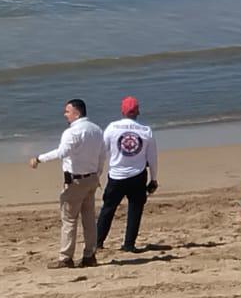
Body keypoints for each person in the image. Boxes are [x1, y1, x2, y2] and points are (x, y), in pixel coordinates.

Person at [30, 99, 103, 268]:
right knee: (89, 219)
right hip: (91, 178)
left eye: (67, 111)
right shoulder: (96, 130)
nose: (65, 114)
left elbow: (62, 152)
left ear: (76, 113)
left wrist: (39, 158)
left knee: (69, 219)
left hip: (76, 180)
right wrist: (97, 174)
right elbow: (102, 155)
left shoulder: (72, 132)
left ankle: (66, 257)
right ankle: (90, 255)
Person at [97, 96, 158, 253]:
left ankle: (98, 242)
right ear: (138, 111)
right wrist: (154, 179)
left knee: (108, 209)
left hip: (116, 176)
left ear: (122, 111)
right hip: (138, 176)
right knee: (135, 210)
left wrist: (97, 173)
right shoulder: (145, 131)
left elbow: (102, 153)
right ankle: (129, 244)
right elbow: (152, 158)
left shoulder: (112, 128)